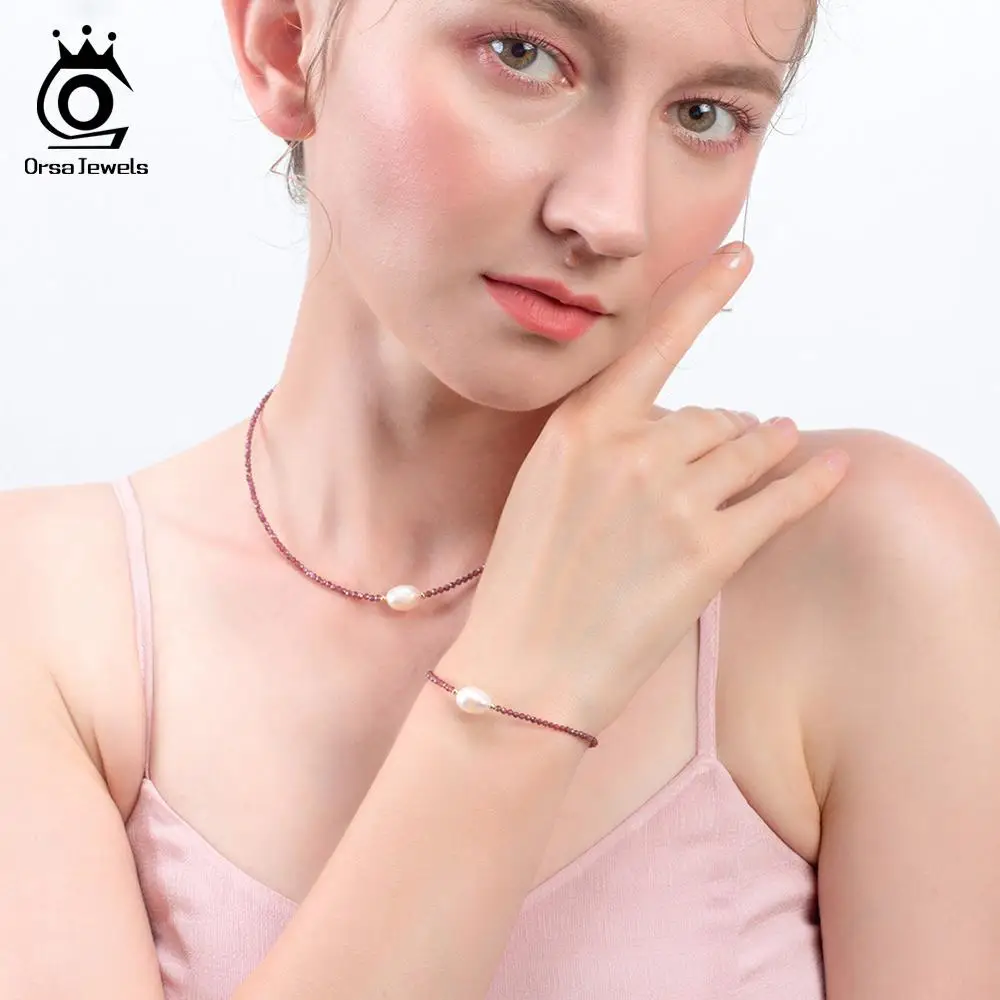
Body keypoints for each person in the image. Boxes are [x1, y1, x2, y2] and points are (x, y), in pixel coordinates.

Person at [2, 0, 998, 998]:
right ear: (286, 46)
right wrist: (525, 682)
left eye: (705, 115)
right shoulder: (46, 617)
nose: (611, 215)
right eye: (522, 56)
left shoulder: (867, 565)